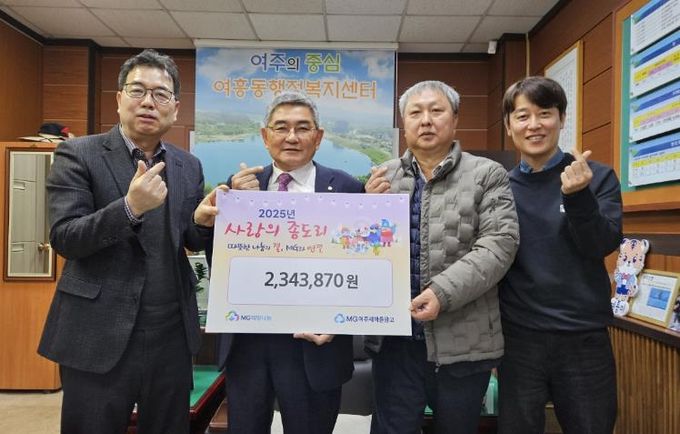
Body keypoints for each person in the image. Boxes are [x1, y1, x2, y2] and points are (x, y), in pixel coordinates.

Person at [38, 49, 215, 434]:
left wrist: (200, 222)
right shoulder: (77, 154)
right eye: (138, 91)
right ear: (119, 99)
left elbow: (185, 237)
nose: (149, 102)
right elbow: (66, 237)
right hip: (97, 330)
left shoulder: (187, 165)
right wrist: (130, 208)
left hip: (170, 333)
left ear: (175, 108)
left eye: (161, 94)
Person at [196, 91, 363, 434]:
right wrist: (213, 218)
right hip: (249, 342)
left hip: (313, 344)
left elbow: (361, 267)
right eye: (281, 127)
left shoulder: (347, 188)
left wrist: (338, 318)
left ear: (318, 137)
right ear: (264, 135)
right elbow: (214, 255)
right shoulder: (238, 188)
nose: (291, 137)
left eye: (302, 128)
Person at [364, 80, 519, 434]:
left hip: (463, 341)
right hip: (395, 344)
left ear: (455, 120)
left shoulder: (487, 174)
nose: (426, 120)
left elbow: (500, 244)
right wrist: (366, 210)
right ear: (403, 123)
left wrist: (442, 292)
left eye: (436, 111)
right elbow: (362, 250)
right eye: (415, 112)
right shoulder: (381, 177)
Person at [498, 76, 622, 434]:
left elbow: (602, 244)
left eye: (545, 113)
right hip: (519, 338)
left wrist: (578, 196)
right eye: (523, 116)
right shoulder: (500, 187)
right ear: (509, 126)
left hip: (583, 337)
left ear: (562, 118)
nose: (534, 125)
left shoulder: (596, 177)